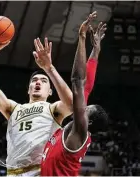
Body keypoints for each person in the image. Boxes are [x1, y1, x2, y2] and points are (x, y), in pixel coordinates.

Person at [0, 34, 73, 176]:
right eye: (34, 80)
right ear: (28, 89)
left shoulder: (53, 109)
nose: (38, 82)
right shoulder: (14, 109)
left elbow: (72, 104)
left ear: (50, 92)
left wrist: (50, 69)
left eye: (43, 81)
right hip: (13, 173)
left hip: (40, 172)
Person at [41, 11, 109, 176]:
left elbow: (78, 80)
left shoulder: (79, 131)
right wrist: (96, 50)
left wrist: (82, 37)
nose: (82, 107)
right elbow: (86, 86)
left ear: (89, 123)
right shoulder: (78, 124)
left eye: (86, 110)